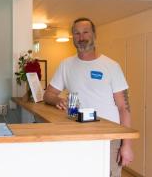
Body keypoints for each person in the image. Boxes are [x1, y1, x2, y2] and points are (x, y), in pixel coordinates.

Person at [43, 17, 133, 177]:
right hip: (76, 136)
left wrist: (127, 144)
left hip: (109, 138)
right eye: (76, 33)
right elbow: (48, 94)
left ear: (94, 35)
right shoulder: (66, 65)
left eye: (85, 32)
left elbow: (124, 108)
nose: (81, 37)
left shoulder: (111, 66)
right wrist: (57, 99)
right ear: (73, 38)